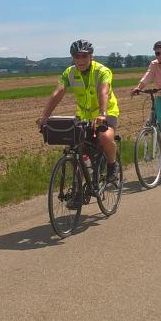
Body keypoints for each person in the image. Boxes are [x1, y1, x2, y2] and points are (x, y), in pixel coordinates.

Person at [36, 39, 120, 205]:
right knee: (78, 150)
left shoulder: (102, 71)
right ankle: (79, 190)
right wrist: (45, 116)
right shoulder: (69, 72)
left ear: (91, 57)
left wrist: (102, 114)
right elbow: (58, 92)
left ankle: (112, 165)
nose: (80, 60)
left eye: (84, 56)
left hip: (106, 112)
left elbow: (103, 92)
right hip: (84, 115)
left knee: (104, 137)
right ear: (73, 58)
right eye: (77, 56)